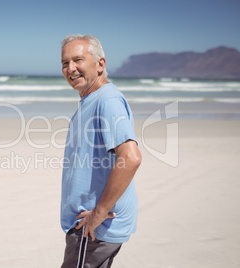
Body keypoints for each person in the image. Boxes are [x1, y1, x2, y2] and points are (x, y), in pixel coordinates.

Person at [60, 34, 142, 268]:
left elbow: (131, 157)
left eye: (78, 60)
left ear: (100, 64)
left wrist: (98, 213)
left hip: (94, 229)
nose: (71, 68)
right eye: (65, 63)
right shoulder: (92, 99)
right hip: (90, 226)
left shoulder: (107, 100)